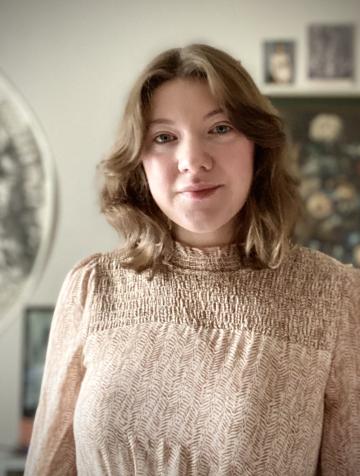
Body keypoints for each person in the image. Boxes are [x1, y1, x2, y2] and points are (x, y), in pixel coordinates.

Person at [24, 43, 359, 475]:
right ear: (139, 161)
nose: (193, 161)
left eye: (220, 129)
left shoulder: (332, 297)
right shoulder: (92, 288)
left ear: (257, 146)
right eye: (164, 137)